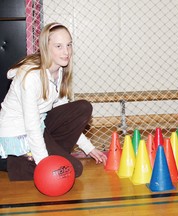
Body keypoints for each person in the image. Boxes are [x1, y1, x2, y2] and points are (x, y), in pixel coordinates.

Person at [0, 22, 107, 181]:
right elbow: (31, 125)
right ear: (45, 47)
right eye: (59, 46)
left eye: (69, 45)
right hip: (18, 133)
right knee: (73, 169)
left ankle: (44, 156)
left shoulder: (59, 69)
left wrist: (88, 148)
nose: (66, 52)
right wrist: (44, 163)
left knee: (83, 107)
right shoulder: (30, 77)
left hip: (40, 127)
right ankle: (14, 163)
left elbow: (63, 112)